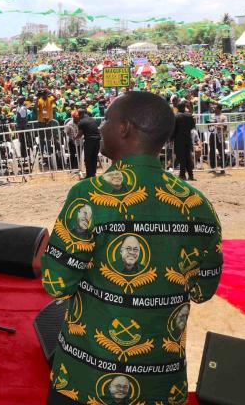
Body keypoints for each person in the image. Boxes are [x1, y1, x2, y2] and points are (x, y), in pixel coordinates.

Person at [41, 92, 222, 405]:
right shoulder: (198, 204)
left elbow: (56, 283)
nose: (101, 126)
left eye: (107, 119)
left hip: (85, 379)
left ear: (124, 128)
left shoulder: (90, 195)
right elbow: (202, 291)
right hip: (161, 383)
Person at [172, 101, 196, 181]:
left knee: (181, 157)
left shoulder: (176, 117)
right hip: (188, 139)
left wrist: (171, 138)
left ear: (178, 108)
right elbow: (192, 126)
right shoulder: (189, 116)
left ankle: (182, 175)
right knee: (188, 157)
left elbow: (173, 129)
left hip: (179, 140)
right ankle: (190, 175)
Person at [76, 109, 101, 178]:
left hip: (89, 141)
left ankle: (89, 175)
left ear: (80, 114)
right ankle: (93, 174)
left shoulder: (81, 122)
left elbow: (80, 134)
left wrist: (75, 138)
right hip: (97, 140)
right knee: (94, 157)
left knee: (88, 158)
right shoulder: (93, 119)